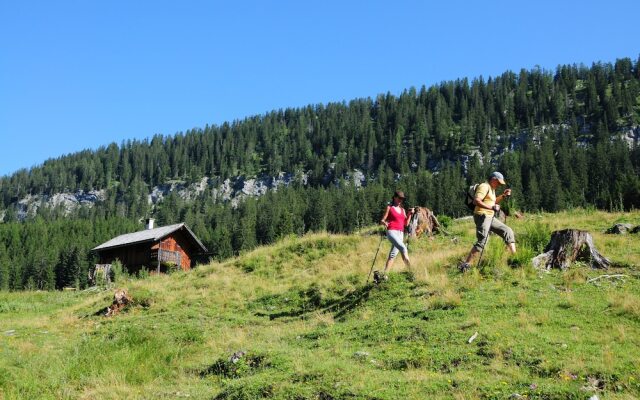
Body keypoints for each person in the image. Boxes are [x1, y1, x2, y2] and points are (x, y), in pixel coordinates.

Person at [459, 172, 516, 272]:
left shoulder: (492, 190)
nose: (499, 185)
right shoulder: (484, 186)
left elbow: (493, 202)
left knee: (508, 231)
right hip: (482, 216)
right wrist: (491, 207)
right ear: (493, 179)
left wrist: (503, 196)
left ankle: (515, 258)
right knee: (482, 241)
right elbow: (476, 201)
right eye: (498, 182)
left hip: (490, 217)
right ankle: (466, 265)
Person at [379, 190, 413, 279]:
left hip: (400, 233)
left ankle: (384, 275)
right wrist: (384, 222)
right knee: (403, 248)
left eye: (402, 199)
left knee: (393, 255)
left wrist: (410, 214)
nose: (400, 200)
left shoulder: (403, 210)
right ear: (394, 198)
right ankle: (411, 272)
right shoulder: (389, 208)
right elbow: (383, 219)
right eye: (399, 198)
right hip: (391, 231)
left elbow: (406, 223)